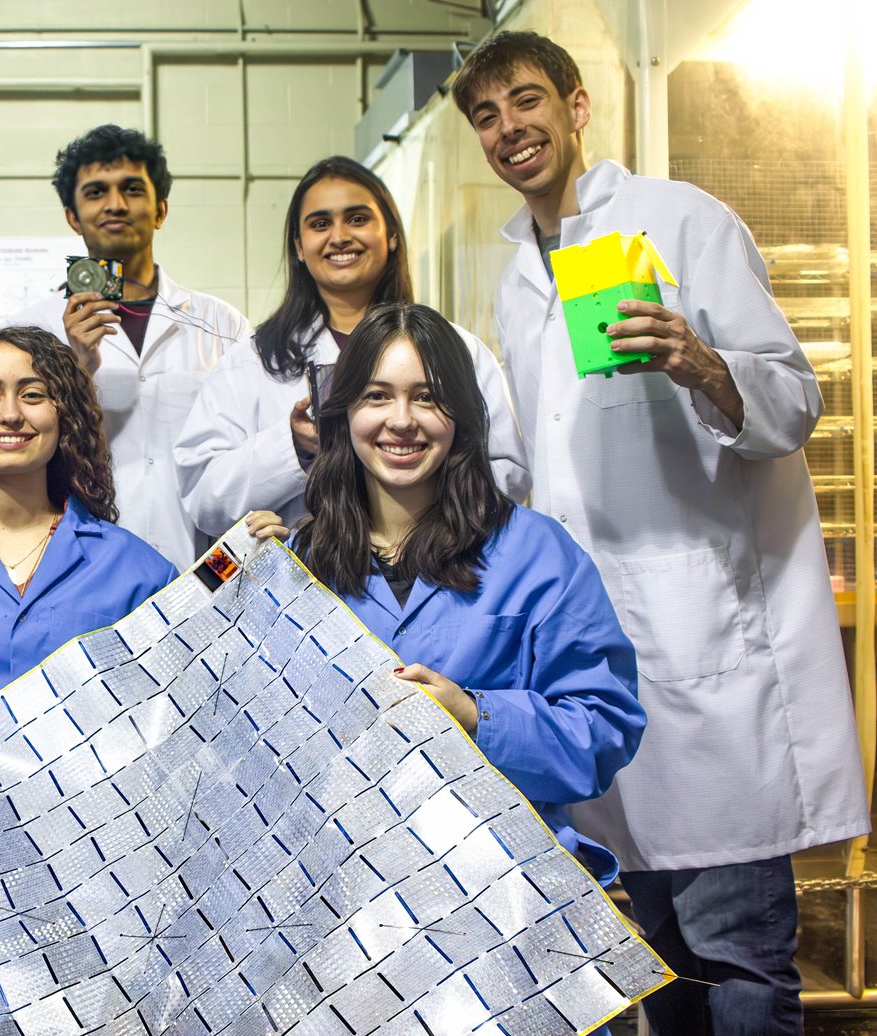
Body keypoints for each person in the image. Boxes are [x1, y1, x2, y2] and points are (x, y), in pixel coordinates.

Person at [452, 30, 867, 1033]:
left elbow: (793, 400)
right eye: (486, 116)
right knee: (656, 970)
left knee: (738, 963)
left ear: (577, 105)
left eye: (526, 101)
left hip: (708, 645)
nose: (509, 129)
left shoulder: (679, 220)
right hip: (596, 662)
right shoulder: (515, 276)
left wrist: (696, 358)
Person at [293, 302, 644, 895]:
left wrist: (477, 717)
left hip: (504, 891)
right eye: (376, 396)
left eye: (426, 397)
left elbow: (604, 727)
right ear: (344, 412)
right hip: (341, 893)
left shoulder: (538, 554)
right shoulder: (303, 560)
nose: (400, 421)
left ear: (461, 416)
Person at [0, 325, 238, 735]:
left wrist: (242, 563)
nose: (9, 414)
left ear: (63, 414)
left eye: (33, 394)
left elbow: (187, 706)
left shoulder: (137, 571)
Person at [175, 155, 528, 536]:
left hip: (437, 573)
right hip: (303, 583)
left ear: (391, 234)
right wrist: (294, 448)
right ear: (298, 245)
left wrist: (420, 511)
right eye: (320, 224)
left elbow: (507, 472)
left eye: (358, 219)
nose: (340, 236)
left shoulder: (458, 349)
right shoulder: (253, 361)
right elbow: (204, 498)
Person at [12, 124, 250, 569]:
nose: (116, 204)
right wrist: (75, 370)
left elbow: (245, 453)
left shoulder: (224, 325)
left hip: (203, 565)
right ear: (72, 216)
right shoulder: (28, 330)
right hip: (74, 567)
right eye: (97, 191)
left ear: (160, 210)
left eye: (132, 189)